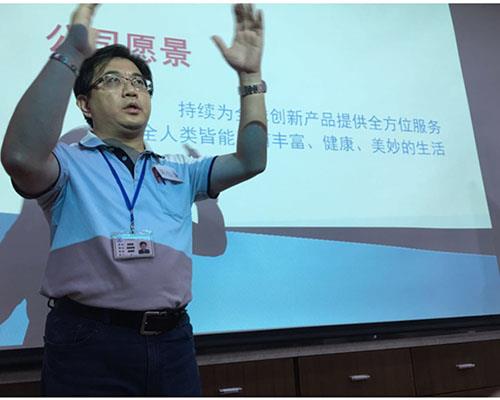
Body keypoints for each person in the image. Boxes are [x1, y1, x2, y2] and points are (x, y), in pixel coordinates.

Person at [0, 3, 266, 396]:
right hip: (88, 343)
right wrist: (72, 52)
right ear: (85, 103)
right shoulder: (67, 164)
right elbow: (21, 157)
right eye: (112, 80)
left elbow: (251, 160)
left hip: (172, 341)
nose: (131, 89)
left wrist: (250, 76)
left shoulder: (180, 170)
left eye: (140, 82)